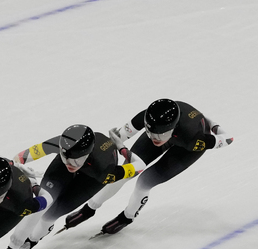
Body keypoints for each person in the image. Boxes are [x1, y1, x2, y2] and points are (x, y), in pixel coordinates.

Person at [0, 124, 145, 249]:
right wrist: (14, 165)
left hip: (94, 176)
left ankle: (33, 240)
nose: (70, 164)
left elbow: (140, 165)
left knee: (51, 214)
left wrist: (122, 148)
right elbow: (26, 155)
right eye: (65, 158)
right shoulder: (66, 144)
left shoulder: (104, 170)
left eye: (75, 161)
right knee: (43, 204)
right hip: (79, 162)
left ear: (87, 155)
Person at [62, 98, 233, 236]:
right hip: (175, 132)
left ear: (173, 129)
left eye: (160, 134)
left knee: (145, 181)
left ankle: (127, 217)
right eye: (150, 132)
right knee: (127, 171)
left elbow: (228, 139)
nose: (155, 138)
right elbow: (119, 137)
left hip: (186, 148)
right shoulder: (149, 119)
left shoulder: (194, 139)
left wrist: (212, 124)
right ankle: (89, 209)